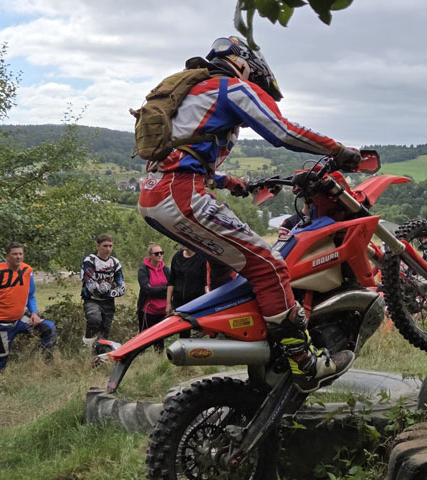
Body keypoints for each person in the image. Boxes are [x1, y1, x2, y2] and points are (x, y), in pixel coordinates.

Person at [138, 35, 361, 392]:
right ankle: (305, 362)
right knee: (270, 266)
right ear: (244, 64)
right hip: (181, 195)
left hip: (154, 194)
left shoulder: (191, 92)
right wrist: (338, 149)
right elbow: (282, 132)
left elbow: (184, 152)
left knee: (226, 262)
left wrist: (228, 180)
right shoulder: (230, 87)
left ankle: (235, 331)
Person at [0, 242, 56, 374]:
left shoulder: (27, 271)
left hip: (20, 319)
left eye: (20, 254)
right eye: (14, 254)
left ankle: (43, 365)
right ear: (7, 256)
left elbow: (30, 296)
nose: (18, 257)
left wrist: (34, 313)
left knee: (48, 328)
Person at [81, 233, 126, 346]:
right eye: (105, 246)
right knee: (94, 320)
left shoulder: (115, 262)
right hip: (92, 299)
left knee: (104, 332)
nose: (108, 249)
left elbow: (122, 287)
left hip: (108, 302)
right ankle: (86, 345)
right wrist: (112, 285)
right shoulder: (90, 261)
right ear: (98, 246)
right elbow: (92, 287)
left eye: (110, 246)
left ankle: (99, 352)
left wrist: (106, 287)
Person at [137, 244, 170, 352]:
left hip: (163, 310)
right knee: (143, 337)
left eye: (161, 253)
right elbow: (146, 290)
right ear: (150, 255)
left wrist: (155, 290)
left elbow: (172, 288)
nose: (159, 255)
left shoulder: (166, 270)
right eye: (156, 253)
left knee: (160, 338)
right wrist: (164, 289)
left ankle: (158, 359)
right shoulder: (143, 270)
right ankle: (140, 356)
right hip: (148, 310)